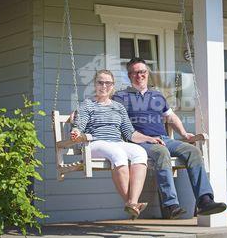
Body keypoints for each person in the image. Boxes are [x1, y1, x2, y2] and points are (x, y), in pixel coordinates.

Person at [112, 58, 227, 219]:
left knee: (192, 151)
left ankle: (205, 200)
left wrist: (185, 134)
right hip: (139, 142)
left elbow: (171, 117)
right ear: (130, 75)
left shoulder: (157, 96)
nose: (140, 75)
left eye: (143, 72)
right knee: (161, 152)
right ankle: (171, 204)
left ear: (147, 73)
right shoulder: (121, 97)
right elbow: (106, 110)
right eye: (135, 73)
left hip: (164, 138)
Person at [70, 69, 164, 219]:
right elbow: (78, 125)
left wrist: (149, 138)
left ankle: (132, 203)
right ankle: (131, 203)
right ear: (95, 84)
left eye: (108, 83)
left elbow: (130, 133)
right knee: (117, 153)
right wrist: (75, 131)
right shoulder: (87, 105)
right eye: (100, 82)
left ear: (113, 86)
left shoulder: (118, 107)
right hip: (94, 143)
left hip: (115, 143)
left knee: (140, 153)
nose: (104, 86)